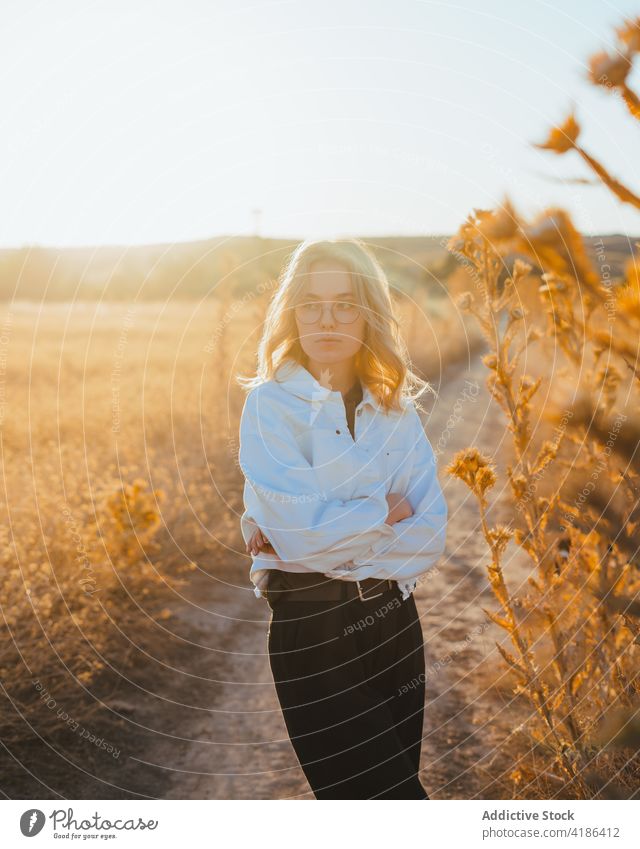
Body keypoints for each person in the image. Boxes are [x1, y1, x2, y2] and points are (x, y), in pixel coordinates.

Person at [236, 238, 448, 799]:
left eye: (344, 304)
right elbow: (304, 541)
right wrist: (384, 512)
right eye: (311, 304)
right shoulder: (269, 407)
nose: (326, 319)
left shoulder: (396, 410)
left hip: (396, 626)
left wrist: (326, 536)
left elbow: (428, 538)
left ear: (368, 314)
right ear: (292, 313)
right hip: (312, 632)